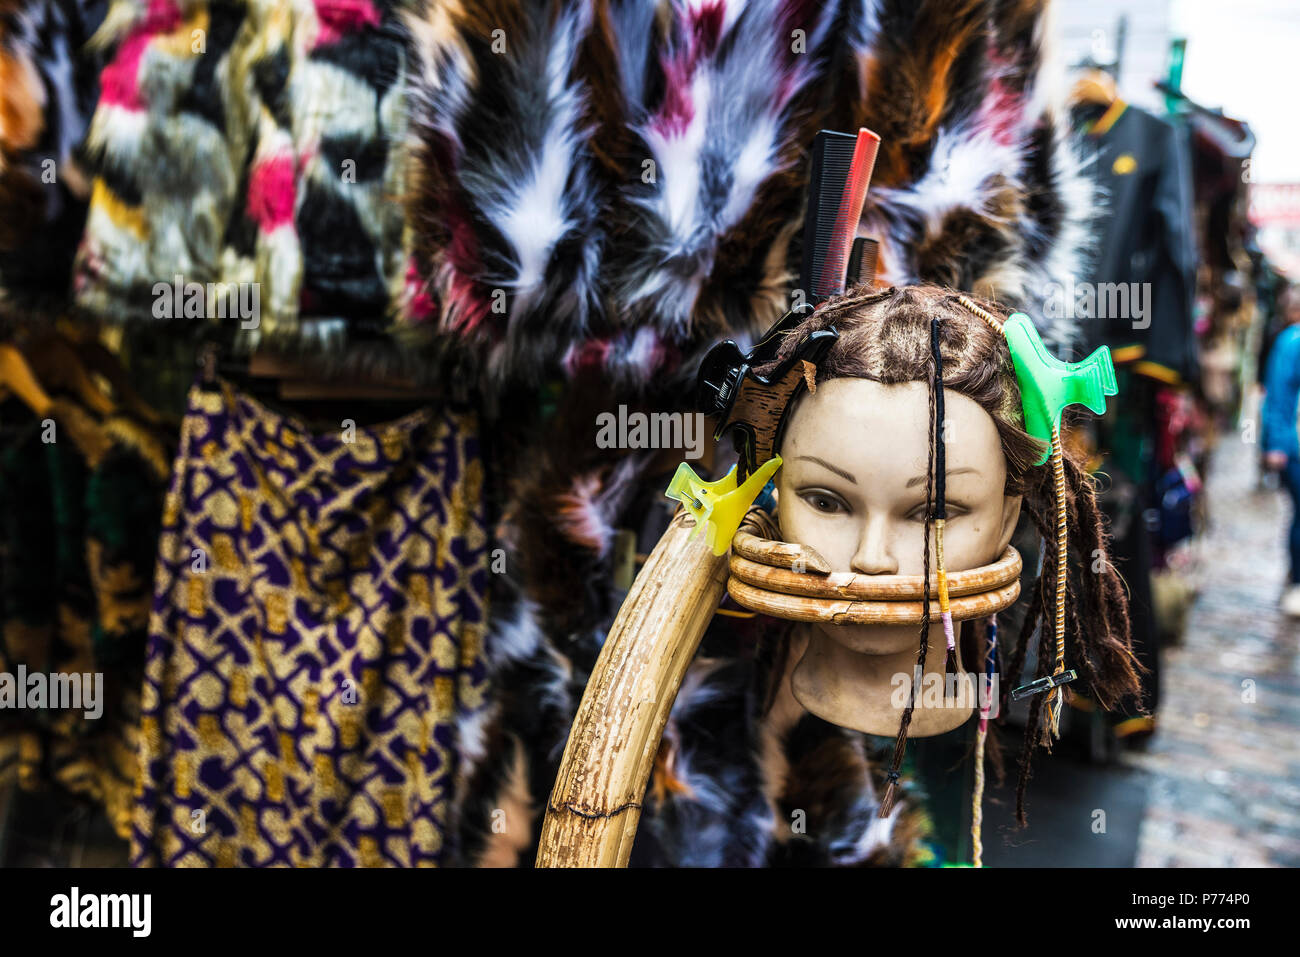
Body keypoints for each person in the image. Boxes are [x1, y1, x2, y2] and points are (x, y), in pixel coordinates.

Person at [1261, 285, 1300, 614]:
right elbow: (1278, 396)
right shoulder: (1292, 342)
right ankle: (1297, 582)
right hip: (1294, 446)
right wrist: (1275, 444)